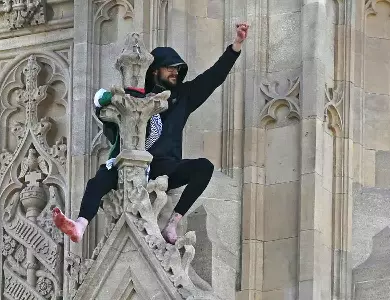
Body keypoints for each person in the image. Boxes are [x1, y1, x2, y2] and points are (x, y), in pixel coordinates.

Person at [53, 22, 249, 244]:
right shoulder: (136, 95)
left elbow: (213, 78)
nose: (176, 72)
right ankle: (80, 225)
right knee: (99, 180)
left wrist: (236, 46)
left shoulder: (182, 96)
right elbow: (101, 101)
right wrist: (111, 99)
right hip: (132, 162)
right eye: (170, 68)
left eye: (178, 69)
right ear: (155, 70)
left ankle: (173, 224)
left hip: (164, 165)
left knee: (204, 167)